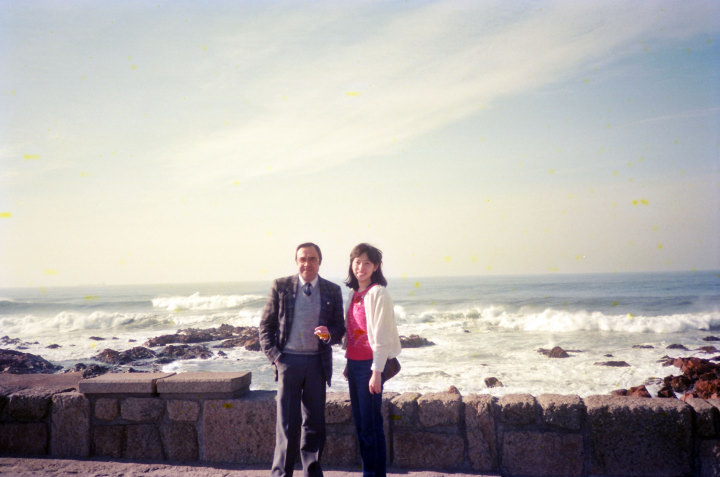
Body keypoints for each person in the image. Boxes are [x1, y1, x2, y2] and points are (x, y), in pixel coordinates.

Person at [259, 242, 346, 477]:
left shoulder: (332, 290)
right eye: (302, 259)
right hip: (288, 362)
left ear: (320, 261)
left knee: (314, 424)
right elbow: (265, 326)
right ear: (296, 262)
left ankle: (312, 473)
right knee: (287, 424)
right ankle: (281, 474)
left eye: (312, 259)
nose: (307, 263)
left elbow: (339, 327)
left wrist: (329, 335)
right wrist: (276, 358)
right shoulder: (281, 286)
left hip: (317, 363)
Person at [344, 243, 401, 477]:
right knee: (362, 425)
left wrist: (376, 372)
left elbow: (382, 336)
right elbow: (351, 333)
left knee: (370, 427)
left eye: (367, 263)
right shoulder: (352, 294)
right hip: (354, 364)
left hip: (370, 367)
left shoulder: (378, 293)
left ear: (376, 266)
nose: (361, 267)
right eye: (357, 262)